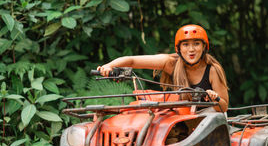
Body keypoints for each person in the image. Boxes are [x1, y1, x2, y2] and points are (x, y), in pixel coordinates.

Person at [97, 24, 229, 112]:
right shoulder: (171, 63)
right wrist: (109, 66)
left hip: (209, 121)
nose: (191, 49)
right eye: (186, 44)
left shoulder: (212, 70)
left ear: (204, 47)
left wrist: (214, 98)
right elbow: (132, 61)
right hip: (182, 118)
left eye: (196, 44)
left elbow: (224, 107)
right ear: (178, 48)